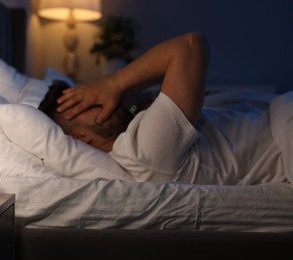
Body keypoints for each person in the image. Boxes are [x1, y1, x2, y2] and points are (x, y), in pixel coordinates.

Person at [39, 32, 291, 185]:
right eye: (84, 103)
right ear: (81, 137)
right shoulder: (140, 151)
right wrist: (113, 82)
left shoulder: (135, 137)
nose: (99, 98)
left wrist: (117, 91)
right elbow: (190, 46)